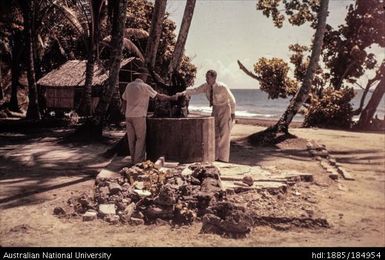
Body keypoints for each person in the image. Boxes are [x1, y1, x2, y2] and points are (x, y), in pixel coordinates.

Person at [178, 70, 236, 162]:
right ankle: (216, 157)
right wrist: (183, 93)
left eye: (208, 77)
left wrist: (232, 113)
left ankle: (223, 159)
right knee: (215, 133)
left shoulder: (222, 87)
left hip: (225, 108)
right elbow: (195, 90)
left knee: (225, 133)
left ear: (214, 78)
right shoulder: (206, 86)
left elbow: (232, 100)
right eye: (206, 77)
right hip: (215, 109)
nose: (206, 79)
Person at [121, 67, 177, 164]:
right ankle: (138, 161)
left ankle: (133, 159)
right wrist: (172, 98)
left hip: (128, 115)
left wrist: (125, 111)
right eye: (146, 76)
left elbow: (124, 100)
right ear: (143, 76)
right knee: (140, 138)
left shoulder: (129, 86)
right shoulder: (144, 86)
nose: (146, 78)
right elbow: (160, 97)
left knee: (131, 139)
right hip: (139, 116)